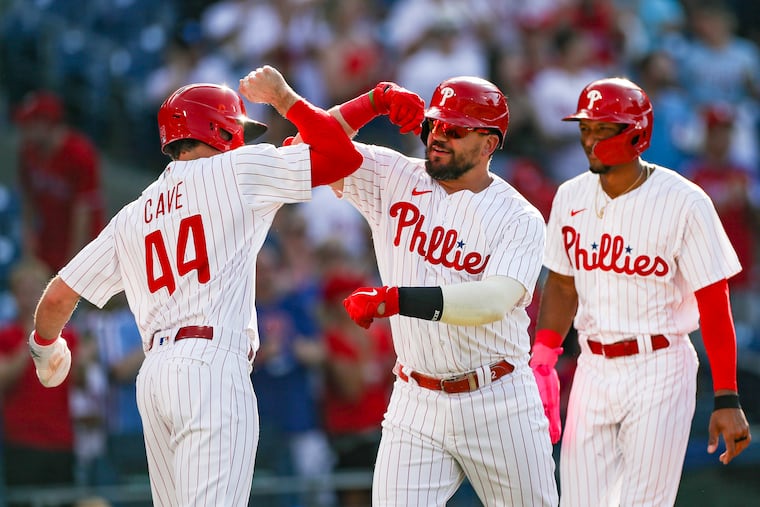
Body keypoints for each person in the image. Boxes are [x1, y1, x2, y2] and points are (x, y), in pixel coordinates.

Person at [27, 65, 363, 507]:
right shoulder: (237, 169)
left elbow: (56, 297)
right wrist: (289, 100)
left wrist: (45, 349)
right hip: (210, 365)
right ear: (221, 130)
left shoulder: (132, 213)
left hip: (155, 376)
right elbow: (342, 157)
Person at [278, 77, 559, 505]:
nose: (440, 136)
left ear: (489, 144)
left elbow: (492, 302)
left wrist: (397, 299)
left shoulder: (517, 216)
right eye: (435, 125)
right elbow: (302, 149)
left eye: (455, 129)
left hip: (497, 397)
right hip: (415, 398)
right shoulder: (393, 174)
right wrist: (374, 100)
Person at [530, 77, 753, 507]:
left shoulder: (685, 200)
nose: (590, 140)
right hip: (593, 367)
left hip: (660, 365)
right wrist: (544, 354)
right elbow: (561, 282)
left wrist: (727, 395)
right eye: (585, 129)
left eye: (603, 129)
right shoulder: (569, 195)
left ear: (637, 133)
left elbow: (713, 301)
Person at [0, 257, 79, 507]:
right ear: (14, 295)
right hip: (21, 441)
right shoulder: (6, 335)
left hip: (60, 439)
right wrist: (35, 341)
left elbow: (82, 380)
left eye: (37, 289)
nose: (31, 296)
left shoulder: (68, 337)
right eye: (25, 290)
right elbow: (3, 378)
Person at [13, 91, 105, 274]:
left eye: (30, 125)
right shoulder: (28, 152)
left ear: (48, 124)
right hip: (47, 243)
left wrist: (72, 266)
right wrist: (29, 251)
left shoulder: (80, 154)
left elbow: (83, 212)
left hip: (83, 247)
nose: (25, 130)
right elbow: (28, 202)